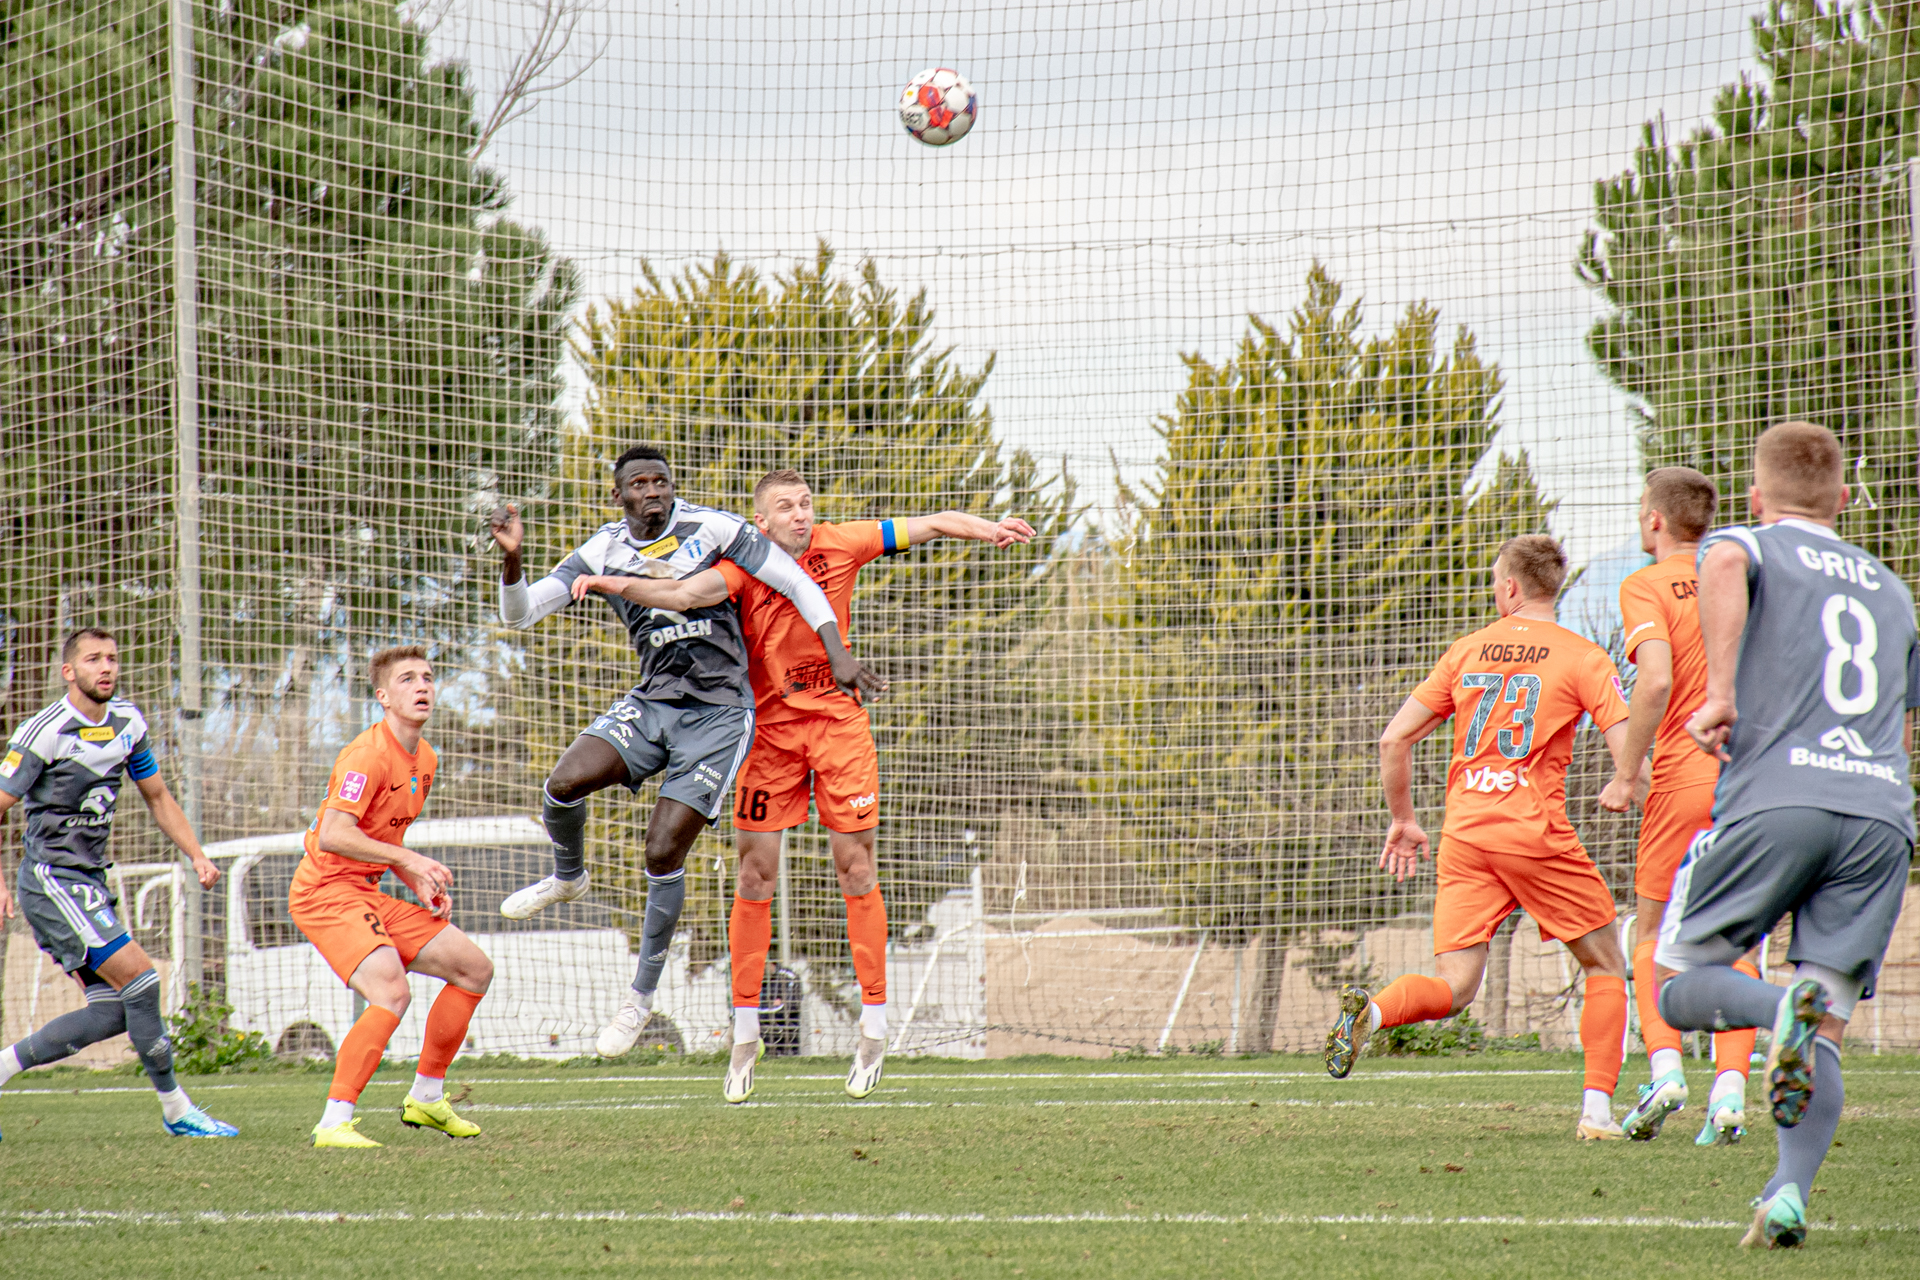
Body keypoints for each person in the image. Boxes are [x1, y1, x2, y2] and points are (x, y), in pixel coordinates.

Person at [568, 468, 1033, 1102]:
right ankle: (745, 1034)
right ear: (761, 522)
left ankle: (874, 1026)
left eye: (805, 503)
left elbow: (928, 524)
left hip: (839, 727)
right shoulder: (742, 565)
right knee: (755, 875)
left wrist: (988, 528)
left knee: (856, 868)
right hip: (768, 734)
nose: (800, 514)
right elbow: (680, 593)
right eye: (786, 506)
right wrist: (604, 580)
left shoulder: (843, 542)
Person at [489, 446, 883, 1052]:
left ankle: (638, 1001)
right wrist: (513, 559)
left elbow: (797, 580)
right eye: (639, 483)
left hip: (720, 713)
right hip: (655, 700)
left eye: (661, 481)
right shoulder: (601, 549)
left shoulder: (716, 529)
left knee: (661, 848)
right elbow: (519, 616)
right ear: (618, 495)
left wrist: (837, 654)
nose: (652, 491)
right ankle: (569, 877)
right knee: (562, 783)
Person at [1654, 421, 1917, 1249]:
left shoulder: (1749, 542)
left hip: (1780, 797)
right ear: (1841, 498)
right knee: (1827, 1027)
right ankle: (1787, 1196)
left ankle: (1778, 1010)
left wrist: (1721, 693)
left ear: (1757, 496)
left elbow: (1723, 564)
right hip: (1880, 813)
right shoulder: (1893, 590)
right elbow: (1902, 724)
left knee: (1676, 983)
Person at [1324, 535, 1644, 1140]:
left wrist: (1404, 820)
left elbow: (1394, 740)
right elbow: (1627, 753)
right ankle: (1597, 1114)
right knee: (1605, 964)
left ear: (1510, 587)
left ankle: (1375, 1011)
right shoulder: (1583, 657)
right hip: (1533, 833)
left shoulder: (1467, 651)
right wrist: (1657, 805)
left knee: (1455, 986)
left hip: (1466, 835)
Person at [0, 627, 237, 1138]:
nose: (106, 667)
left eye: (111, 658)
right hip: (50, 880)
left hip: (88, 881)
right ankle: (177, 1110)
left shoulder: (129, 723)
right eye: (93, 659)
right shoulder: (43, 731)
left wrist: (196, 854)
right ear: (69, 672)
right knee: (142, 979)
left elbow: (157, 796)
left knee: (112, 1012)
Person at [1602, 468, 1762, 1145]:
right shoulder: (1743, 576)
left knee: (1651, 932)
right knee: (1740, 938)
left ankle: (1665, 1070)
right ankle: (1731, 1090)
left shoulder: (1646, 583)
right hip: (1750, 777)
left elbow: (1656, 681)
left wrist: (1625, 772)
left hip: (1683, 776)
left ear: (1655, 520)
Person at [293, 646, 493, 1148]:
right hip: (324, 892)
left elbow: (383, 835)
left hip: (366, 891)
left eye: (427, 677)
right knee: (391, 991)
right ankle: (333, 1122)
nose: (422, 686)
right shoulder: (367, 755)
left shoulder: (426, 759)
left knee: (473, 969)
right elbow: (334, 834)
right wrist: (410, 861)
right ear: (382, 696)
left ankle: (426, 1098)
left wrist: (413, 878)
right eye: (407, 679)